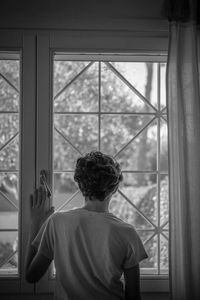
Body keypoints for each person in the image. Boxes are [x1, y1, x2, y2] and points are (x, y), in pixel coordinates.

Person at [25, 151, 148, 300]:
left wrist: (35, 222)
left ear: (80, 186)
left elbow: (31, 276)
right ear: (115, 188)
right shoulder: (127, 232)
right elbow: (134, 296)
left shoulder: (56, 222)